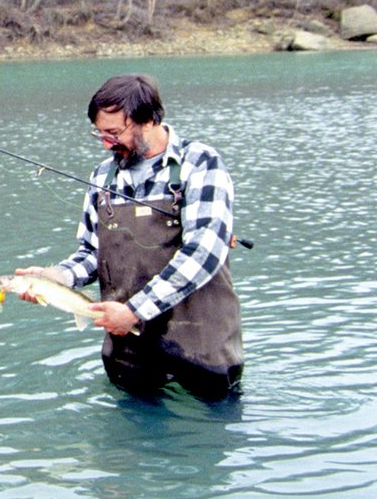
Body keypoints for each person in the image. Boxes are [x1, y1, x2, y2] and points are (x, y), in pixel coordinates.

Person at [16, 74, 243, 399]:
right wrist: (55, 278)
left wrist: (134, 311)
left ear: (149, 120)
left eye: (114, 133)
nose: (107, 143)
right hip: (130, 354)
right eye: (100, 134)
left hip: (203, 348)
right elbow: (92, 253)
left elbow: (202, 253)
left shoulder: (201, 163)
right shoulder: (102, 176)